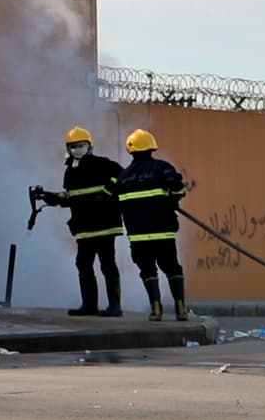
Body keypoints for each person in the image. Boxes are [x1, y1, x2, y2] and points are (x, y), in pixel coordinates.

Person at [37, 127, 125, 317]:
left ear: (89, 146)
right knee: (83, 264)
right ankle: (89, 305)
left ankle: (115, 307)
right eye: (74, 146)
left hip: (104, 225)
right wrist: (51, 198)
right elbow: (71, 197)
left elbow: (122, 175)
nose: (78, 149)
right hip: (84, 227)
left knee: (107, 264)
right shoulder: (70, 172)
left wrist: (107, 194)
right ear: (68, 149)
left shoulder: (103, 164)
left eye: (81, 145)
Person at [116, 129, 188, 321]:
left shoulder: (122, 177)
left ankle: (156, 309)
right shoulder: (162, 168)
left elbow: (118, 203)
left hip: (138, 236)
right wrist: (173, 200)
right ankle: (181, 309)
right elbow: (178, 187)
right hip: (162, 232)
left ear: (131, 150)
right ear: (151, 147)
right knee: (172, 268)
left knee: (147, 270)